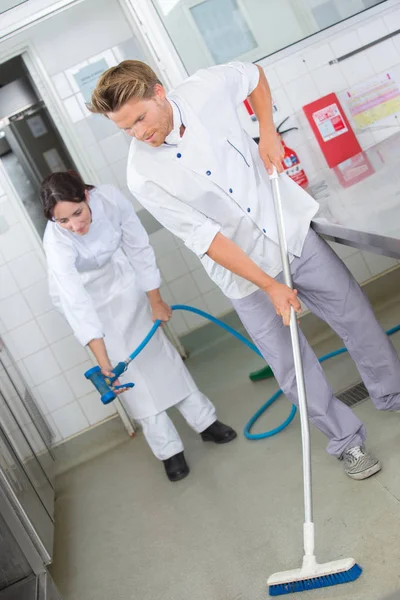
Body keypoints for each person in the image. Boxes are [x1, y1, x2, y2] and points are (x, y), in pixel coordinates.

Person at [88, 60, 400, 481]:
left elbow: (253, 75)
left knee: (356, 317)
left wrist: (267, 132)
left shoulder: (203, 90)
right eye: (125, 129)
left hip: (289, 231)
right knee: (291, 366)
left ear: (159, 93)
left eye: (140, 119)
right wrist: (269, 285)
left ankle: (392, 392)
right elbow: (208, 239)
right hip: (241, 275)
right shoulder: (143, 175)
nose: (139, 134)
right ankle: (347, 442)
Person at [40, 171, 236, 482]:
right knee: (129, 374)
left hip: (122, 280)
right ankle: (169, 451)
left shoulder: (110, 200)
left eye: (77, 213)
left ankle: (206, 423)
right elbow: (76, 303)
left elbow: (139, 248)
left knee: (160, 355)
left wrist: (155, 300)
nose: (75, 226)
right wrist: (104, 364)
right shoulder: (56, 243)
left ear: (86, 196)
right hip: (89, 300)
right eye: (63, 221)